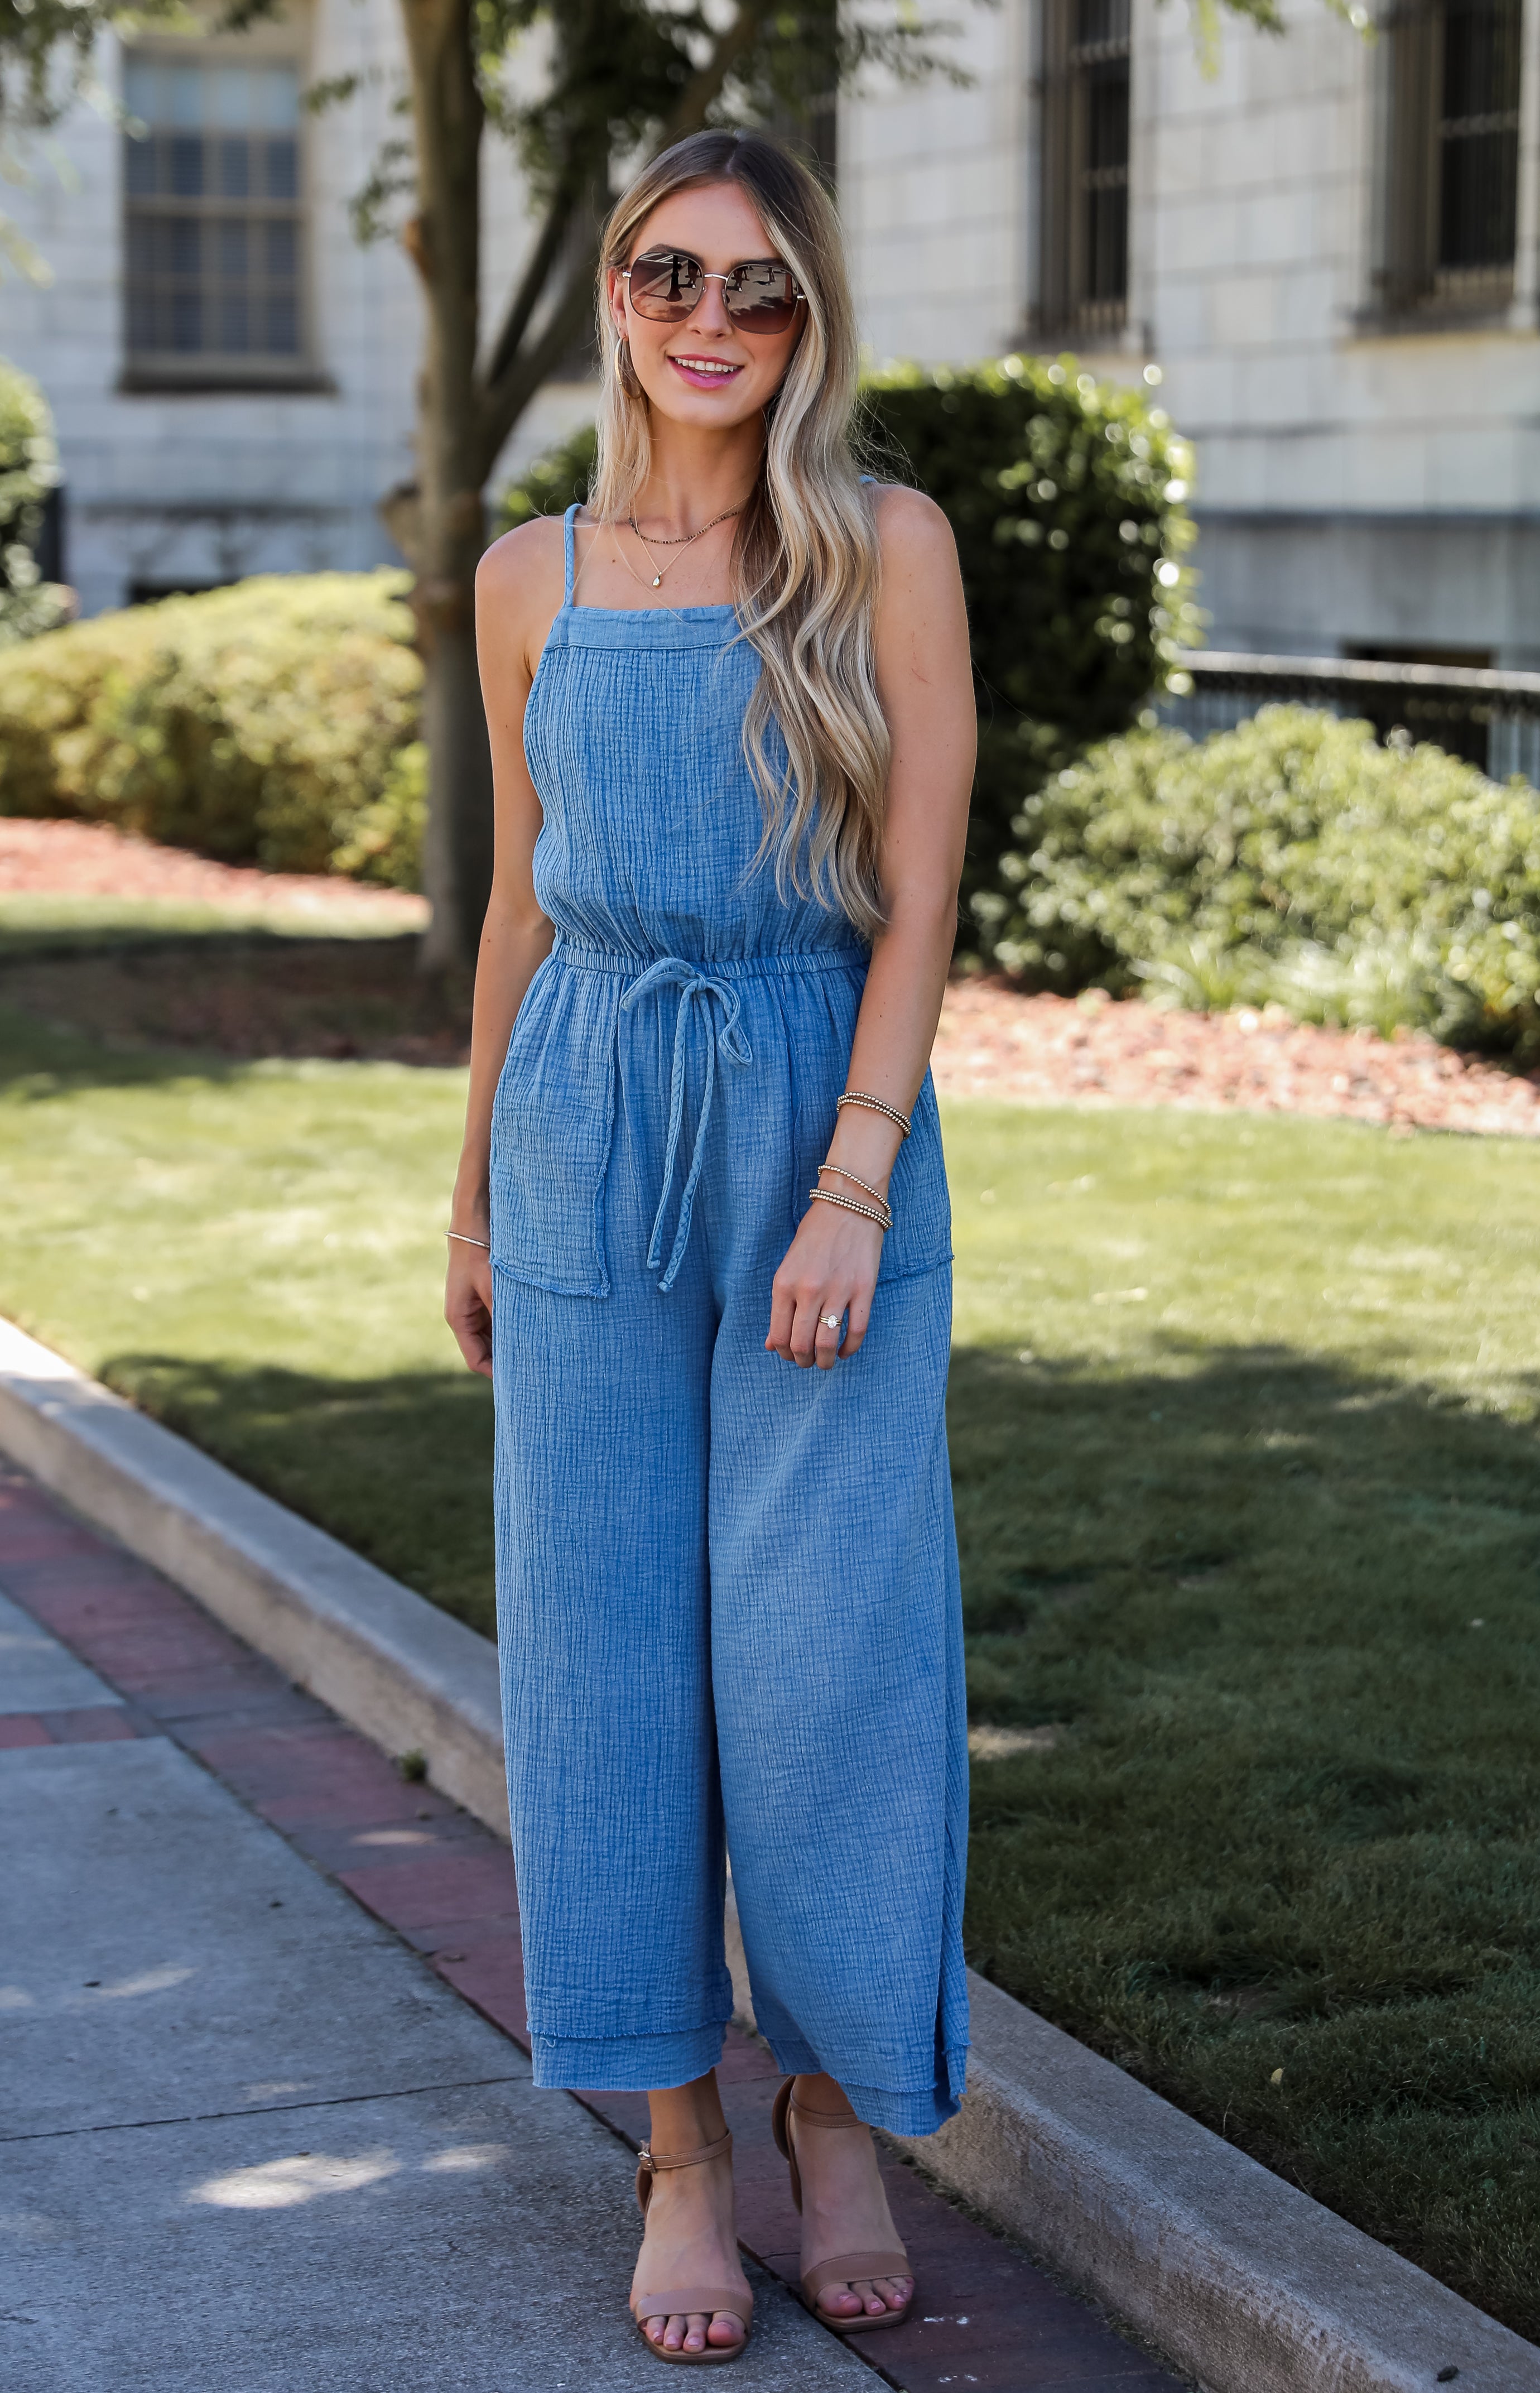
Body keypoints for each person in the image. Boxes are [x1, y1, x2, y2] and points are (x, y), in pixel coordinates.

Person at [445, 126, 975, 2367]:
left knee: (829, 1644)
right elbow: (517, 895)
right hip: (584, 1118)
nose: (712, 326)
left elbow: (923, 877)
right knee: (603, 1654)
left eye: (760, 292)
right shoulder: (526, 577)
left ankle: (834, 2108)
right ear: (619, 296)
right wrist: (467, 1177)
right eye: (674, 278)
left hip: (808, 1114)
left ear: (810, 318)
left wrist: (853, 1170)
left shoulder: (883, 548)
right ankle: (677, 2144)